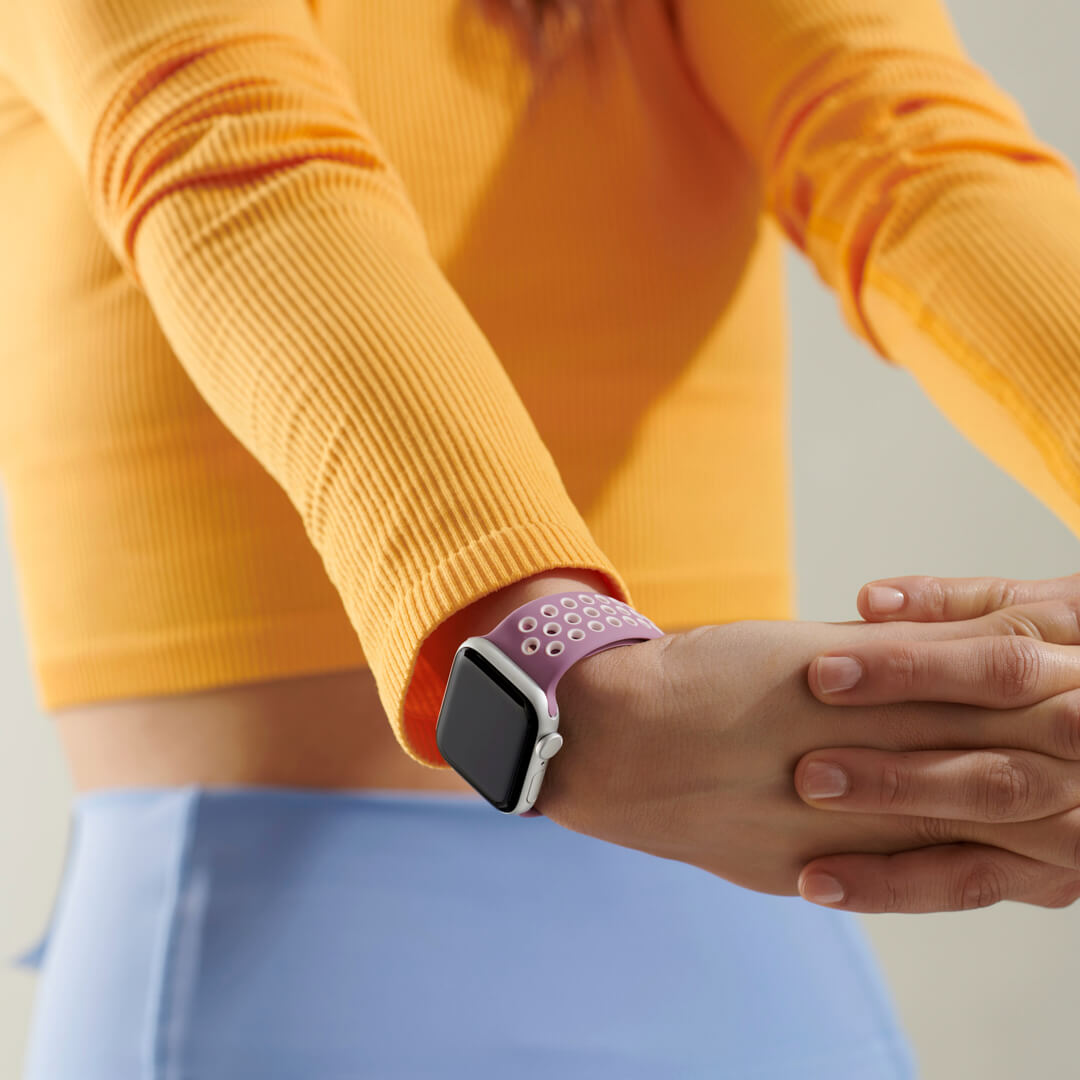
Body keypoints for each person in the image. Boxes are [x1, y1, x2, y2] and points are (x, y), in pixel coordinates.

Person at [3, 0, 1080, 1075]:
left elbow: (911, 148)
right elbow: (235, 163)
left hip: (746, 922)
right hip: (276, 952)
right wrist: (550, 670)